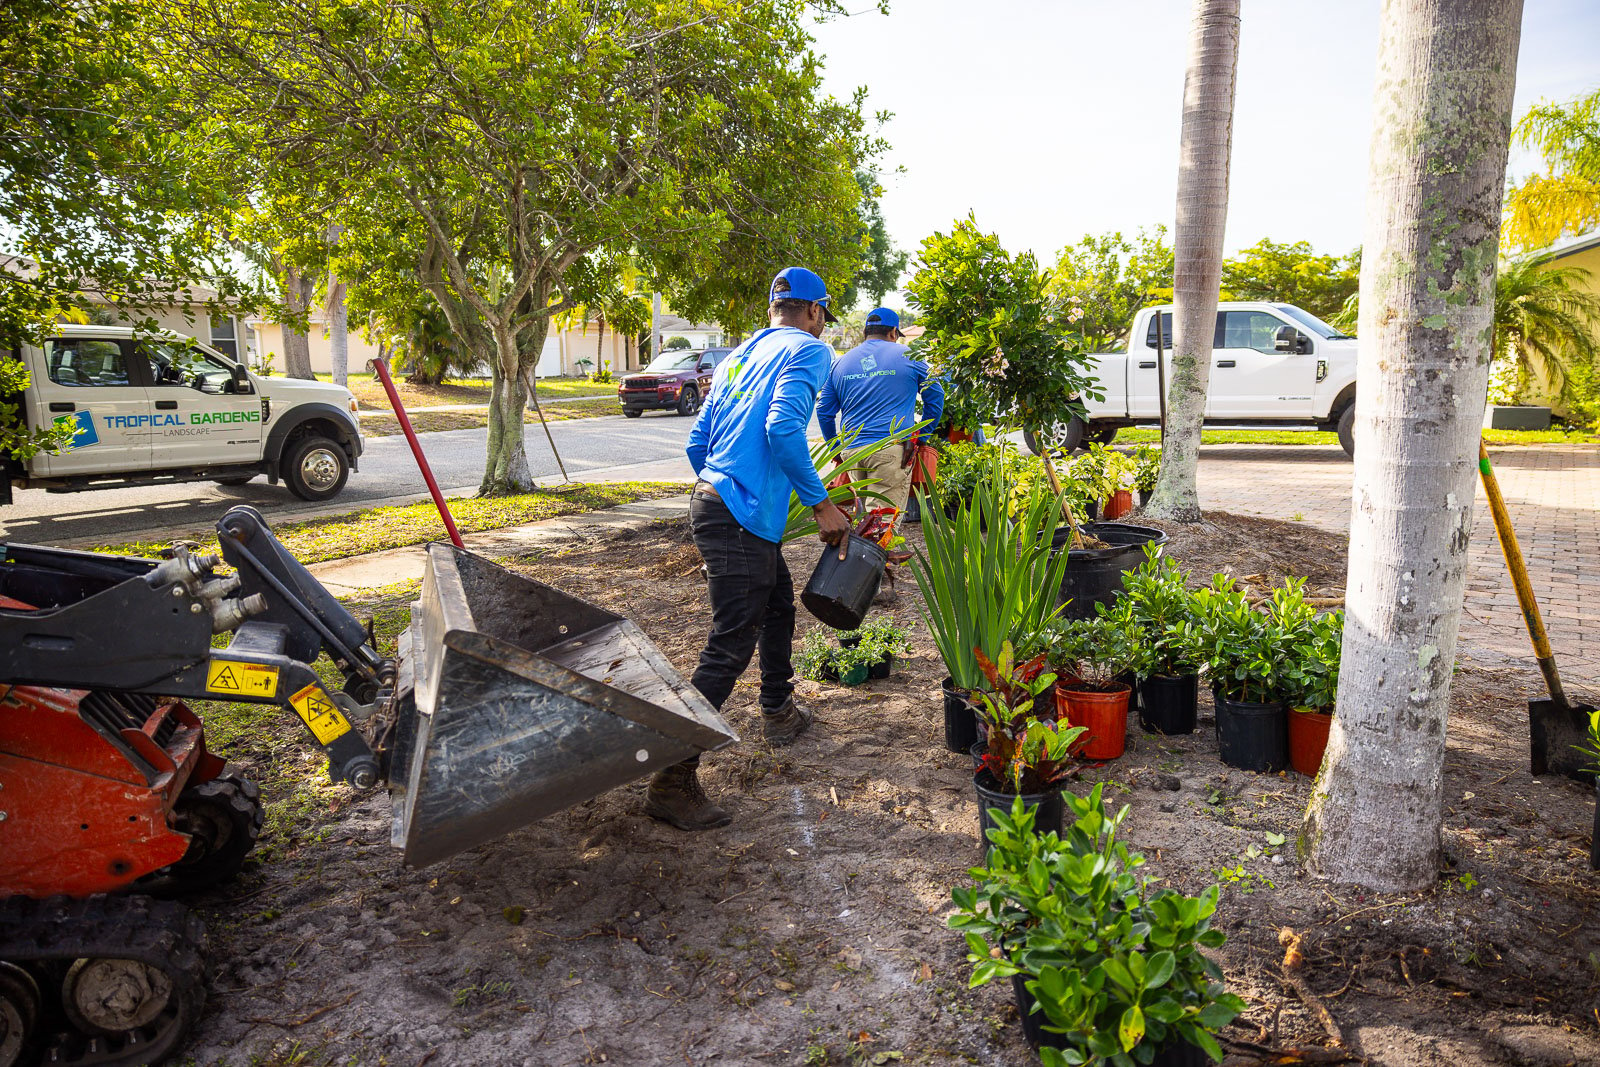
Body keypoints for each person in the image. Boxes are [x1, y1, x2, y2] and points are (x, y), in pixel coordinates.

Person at [644, 266, 852, 831]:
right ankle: (670, 777)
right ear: (814, 313)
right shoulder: (808, 351)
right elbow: (783, 430)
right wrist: (820, 503)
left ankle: (778, 711)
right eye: (823, 318)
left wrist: (724, 487)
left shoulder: (739, 355)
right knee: (729, 643)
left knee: (778, 604)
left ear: (772, 309)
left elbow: (697, 441)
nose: (820, 327)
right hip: (735, 516)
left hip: (717, 504)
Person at [816, 307, 945, 524]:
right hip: (891, 449)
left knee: (865, 520)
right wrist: (920, 436)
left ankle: (860, 557)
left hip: (853, 453)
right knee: (882, 527)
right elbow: (936, 396)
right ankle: (873, 558)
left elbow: (824, 411)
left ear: (866, 332)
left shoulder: (840, 363)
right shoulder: (910, 356)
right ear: (894, 332)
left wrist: (835, 448)